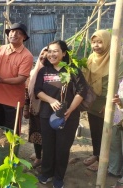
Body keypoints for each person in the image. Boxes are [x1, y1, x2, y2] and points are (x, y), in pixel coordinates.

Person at [34, 40, 87, 188]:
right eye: (49, 51)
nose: (52, 54)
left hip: (68, 117)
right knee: (48, 145)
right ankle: (46, 173)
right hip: (46, 115)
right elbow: (37, 91)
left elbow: (82, 90)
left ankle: (59, 176)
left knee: (62, 148)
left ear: (64, 53)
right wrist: (51, 100)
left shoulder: (72, 70)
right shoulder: (43, 71)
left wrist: (70, 109)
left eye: (56, 51)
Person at [0, 23, 33, 135]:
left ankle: (12, 153)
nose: (14, 34)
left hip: (14, 101)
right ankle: (0, 151)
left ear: (24, 37)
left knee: (12, 132)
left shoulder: (27, 56)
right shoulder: (0, 49)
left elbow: (21, 79)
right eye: (12, 32)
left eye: (19, 32)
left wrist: (2, 80)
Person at [82, 30, 111, 172]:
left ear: (107, 42)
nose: (96, 45)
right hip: (93, 99)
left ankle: (102, 160)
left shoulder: (115, 59)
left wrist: (109, 104)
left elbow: (119, 83)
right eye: (94, 42)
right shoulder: (91, 58)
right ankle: (96, 154)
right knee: (95, 129)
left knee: (106, 131)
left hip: (108, 101)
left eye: (100, 42)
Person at [24, 47, 48, 168]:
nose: (44, 55)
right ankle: (38, 156)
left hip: (48, 111)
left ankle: (45, 157)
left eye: (48, 53)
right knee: (36, 135)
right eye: (42, 52)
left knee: (47, 135)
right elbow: (27, 91)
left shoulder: (53, 73)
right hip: (35, 110)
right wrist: (26, 108)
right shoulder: (33, 72)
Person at [108, 79, 123, 183]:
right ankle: (114, 170)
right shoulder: (120, 78)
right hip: (118, 116)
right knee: (115, 144)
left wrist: (121, 101)